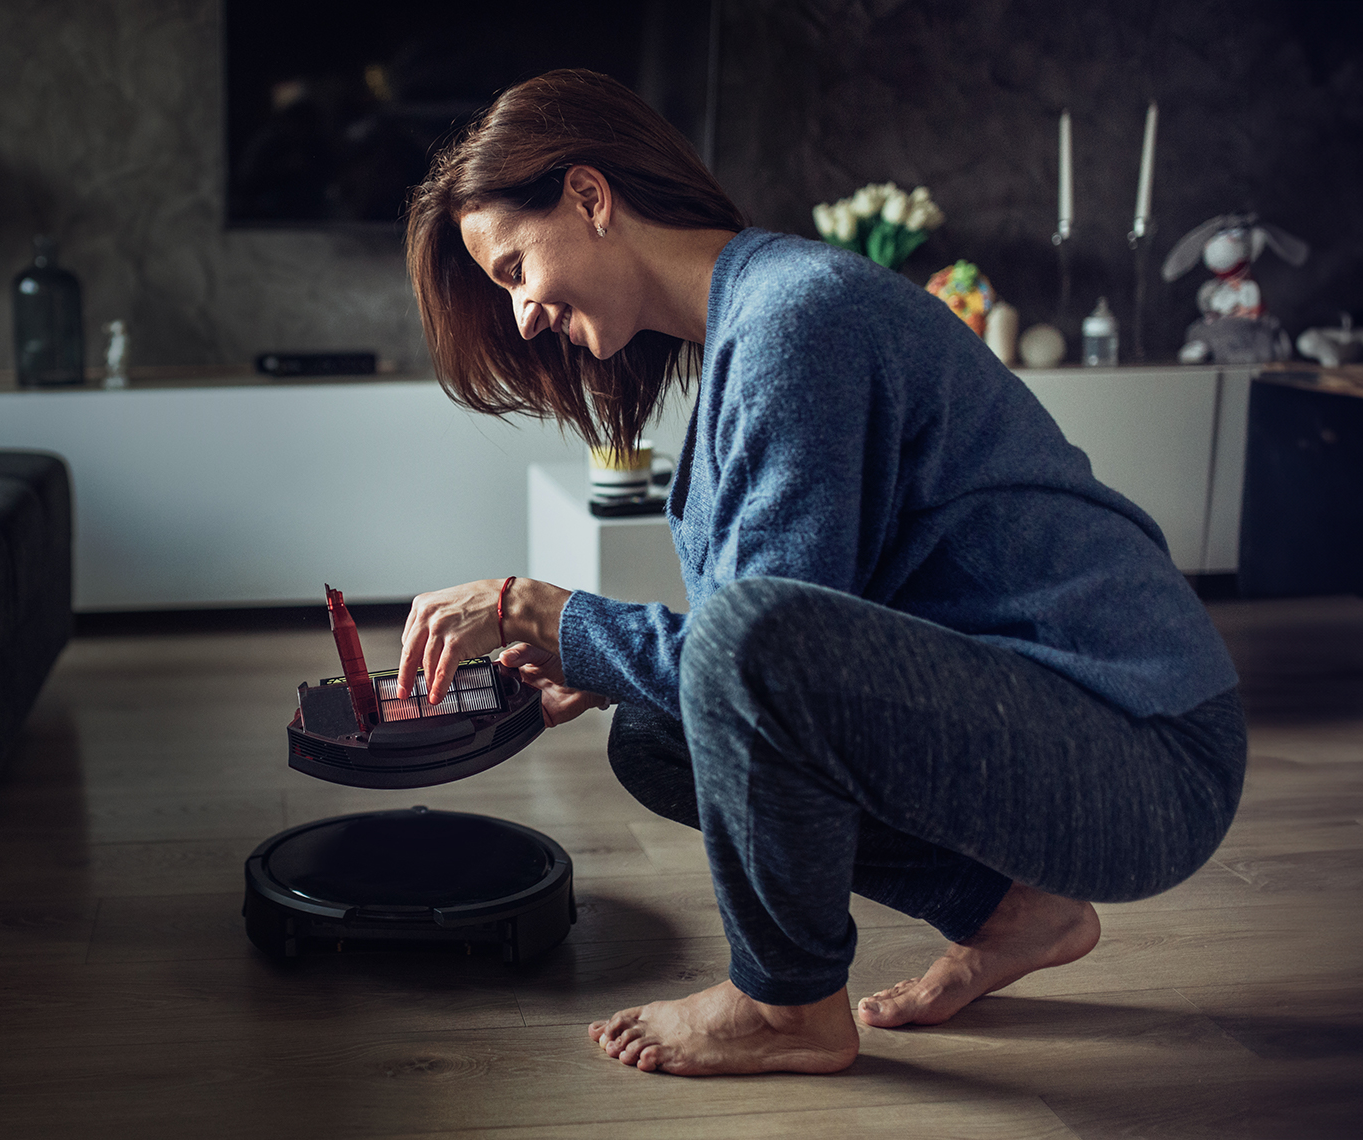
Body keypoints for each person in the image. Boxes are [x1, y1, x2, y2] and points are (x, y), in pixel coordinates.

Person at [395, 70, 1246, 1077]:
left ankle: (784, 1004)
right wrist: (609, 657)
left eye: (511, 269)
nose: (523, 314)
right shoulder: (748, 333)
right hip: (1060, 730)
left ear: (587, 196)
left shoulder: (797, 318)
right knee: (656, 742)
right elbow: (766, 652)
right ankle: (1014, 912)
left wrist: (548, 614)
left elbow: (762, 638)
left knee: (734, 649)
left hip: (1145, 756)